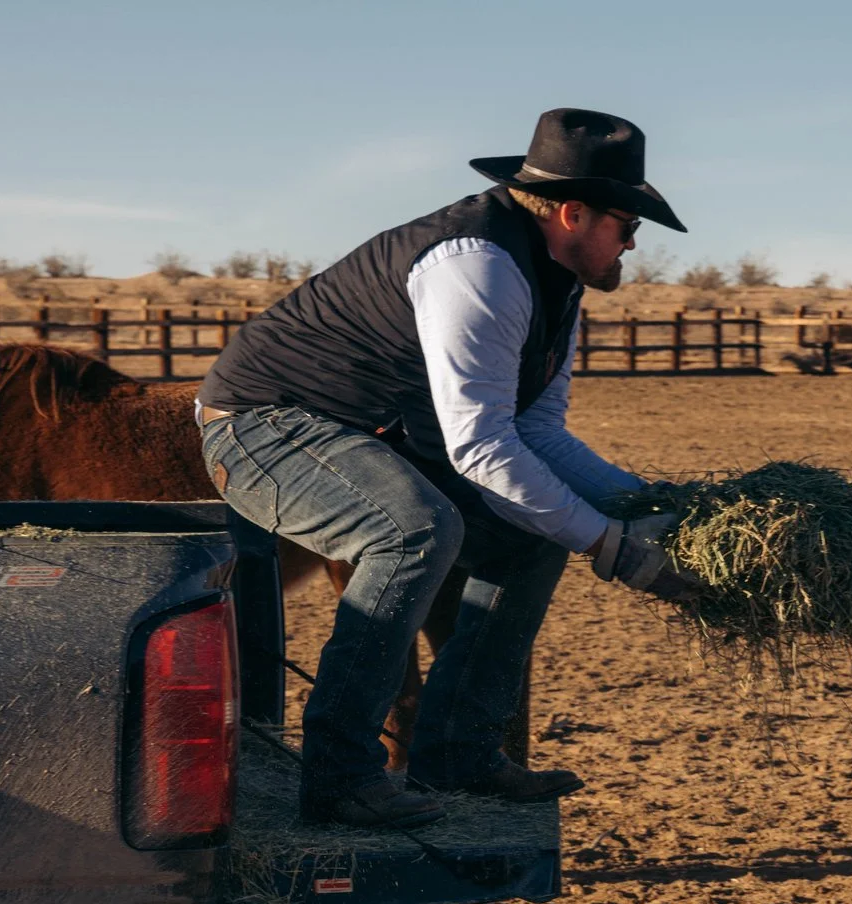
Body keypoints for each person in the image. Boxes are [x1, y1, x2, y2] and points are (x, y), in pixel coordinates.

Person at [197, 108, 693, 829]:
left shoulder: (558, 282)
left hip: (365, 431)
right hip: (262, 428)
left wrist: (645, 501)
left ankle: (458, 753)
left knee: (528, 538)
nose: (633, 243)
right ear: (572, 212)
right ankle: (340, 775)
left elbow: (537, 434)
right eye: (628, 225)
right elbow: (482, 449)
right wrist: (616, 551)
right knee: (414, 530)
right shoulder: (478, 264)